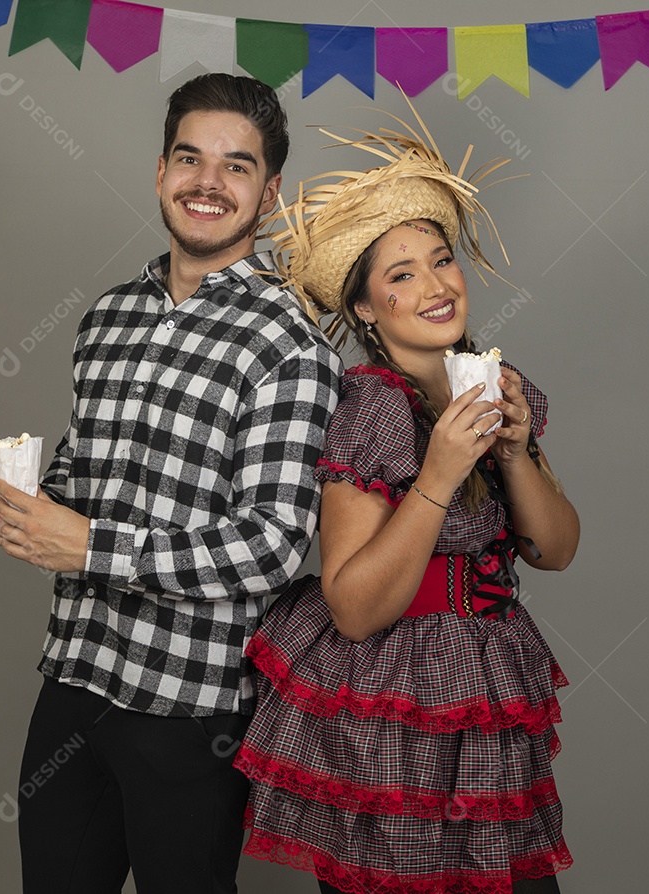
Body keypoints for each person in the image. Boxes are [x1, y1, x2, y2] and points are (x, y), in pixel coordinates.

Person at [0, 73, 342, 894]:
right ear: (160, 171)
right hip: (75, 677)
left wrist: (90, 546)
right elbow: (82, 473)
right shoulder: (107, 317)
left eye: (237, 165)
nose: (208, 182)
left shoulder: (291, 345)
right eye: (190, 157)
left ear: (269, 193)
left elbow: (274, 545)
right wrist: (26, 509)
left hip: (191, 707)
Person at [233, 106, 581, 894]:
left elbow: (554, 551)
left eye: (442, 260)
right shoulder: (372, 409)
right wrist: (441, 472)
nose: (435, 286)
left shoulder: (496, 386)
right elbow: (354, 608)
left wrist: (515, 451)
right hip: (392, 700)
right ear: (364, 308)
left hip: (484, 690)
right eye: (401, 275)